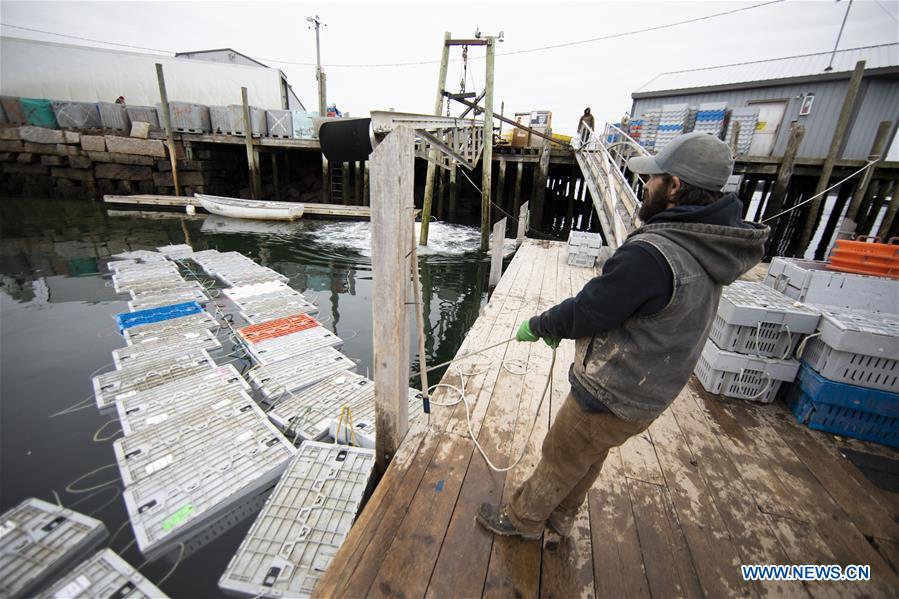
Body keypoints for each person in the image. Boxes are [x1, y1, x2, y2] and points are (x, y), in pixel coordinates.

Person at [475, 132, 769, 540]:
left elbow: (589, 310)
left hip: (612, 389)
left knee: (561, 455)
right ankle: (561, 517)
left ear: (675, 186)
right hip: (650, 393)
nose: (644, 186)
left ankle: (522, 521)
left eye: (653, 179)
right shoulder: (714, 243)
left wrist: (541, 325)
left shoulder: (651, 254)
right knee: (589, 455)